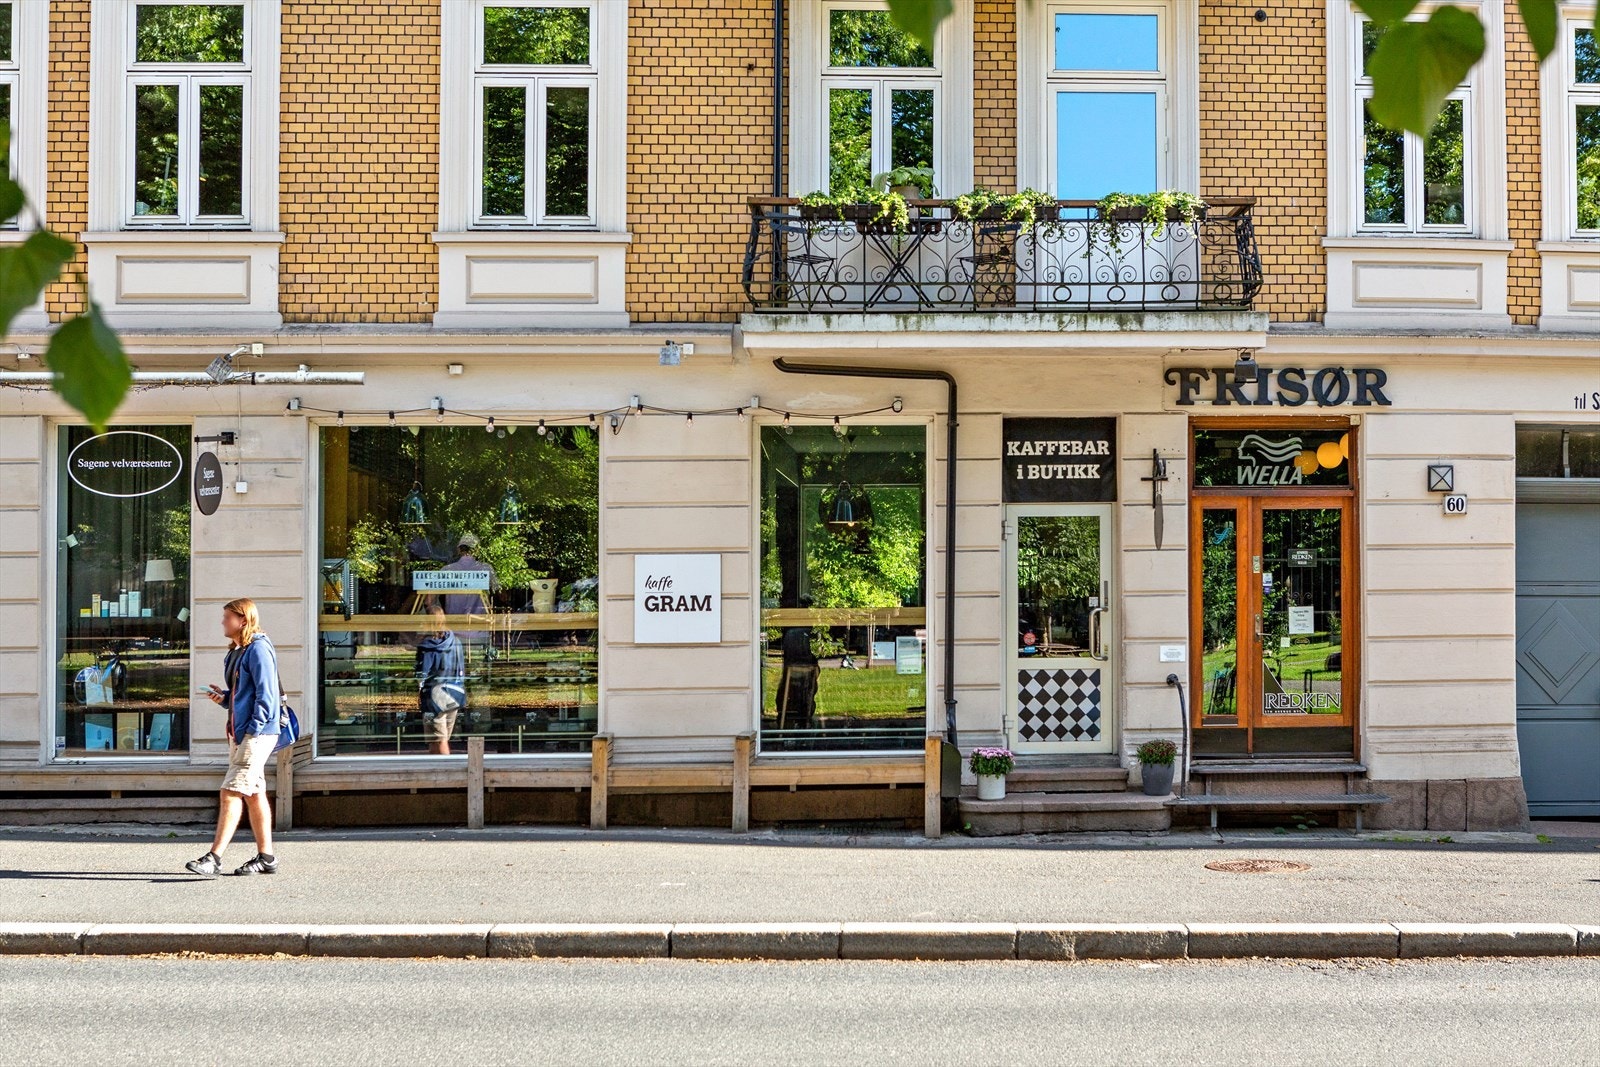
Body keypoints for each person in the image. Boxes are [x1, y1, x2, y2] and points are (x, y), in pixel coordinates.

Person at [186, 598, 281, 877]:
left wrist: (253, 729)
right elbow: (244, 695)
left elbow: (267, 695)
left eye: (227, 617)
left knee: (230, 791)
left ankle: (213, 858)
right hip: (242, 733)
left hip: (256, 733)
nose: (222, 622)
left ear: (243, 620)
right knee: (253, 793)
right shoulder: (237, 651)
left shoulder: (259, 649)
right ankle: (267, 858)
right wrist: (225, 699)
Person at [416, 602, 466, 755]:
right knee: (437, 738)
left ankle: (449, 771)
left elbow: (422, 674)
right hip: (454, 692)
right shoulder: (455, 641)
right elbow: (461, 668)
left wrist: (419, 690)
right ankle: (435, 770)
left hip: (434, 695)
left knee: (439, 739)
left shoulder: (427, 645)